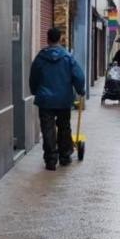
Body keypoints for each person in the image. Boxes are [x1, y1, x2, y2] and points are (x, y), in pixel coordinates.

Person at [29, 28, 86, 170]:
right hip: (63, 99)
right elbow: (78, 76)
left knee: (47, 129)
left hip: (45, 100)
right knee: (64, 127)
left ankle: (50, 160)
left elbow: (33, 77)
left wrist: (35, 91)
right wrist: (80, 90)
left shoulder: (40, 58)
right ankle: (65, 157)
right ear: (60, 39)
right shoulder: (67, 57)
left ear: (47, 39)